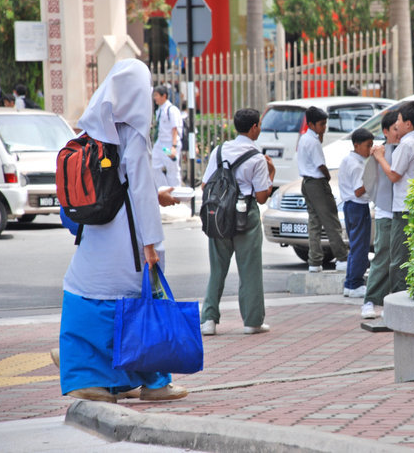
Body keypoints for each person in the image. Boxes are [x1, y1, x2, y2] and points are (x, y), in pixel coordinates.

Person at [58, 59, 186, 403]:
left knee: (84, 294)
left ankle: (91, 378)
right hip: (126, 241)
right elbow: (139, 191)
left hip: (94, 237)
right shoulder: (135, 133)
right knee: (144, 300)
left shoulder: (92, 131)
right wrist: (151, 244)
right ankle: (156, 382)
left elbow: (112, 185)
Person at [199, 108, 275, 336]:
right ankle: (252, 322)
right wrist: (271, 173)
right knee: (249, 269)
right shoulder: (257, 158)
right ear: (254, 127)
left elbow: (205, 186)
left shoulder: (219, 151)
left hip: (219, 215)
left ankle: (208, 321)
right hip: (245, 213)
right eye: (259, 125)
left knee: (217, 269)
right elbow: (261, 197)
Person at [371, 101, 414, 293]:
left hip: (403, 209)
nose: (396, 124)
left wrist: (380, 156)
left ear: (408, 124)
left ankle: (397, 304)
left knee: (398, 260)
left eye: (398, 119)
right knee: (412, 257)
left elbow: (394, 175)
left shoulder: (406, 145)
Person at [297, 106, 349, 273]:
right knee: (331, 221)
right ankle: (342, 258)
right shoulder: (313, 142)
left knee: (314, 222)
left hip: (306, 182)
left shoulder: (305, 138)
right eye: (321, 124)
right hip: (317, 183)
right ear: (311, 124)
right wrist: (327, 177)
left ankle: (314, 261)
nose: (324, 127)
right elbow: (321, 165)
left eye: (325, 123)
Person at [361, 110, 399, 319]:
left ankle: (392, 301)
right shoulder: (379, 152)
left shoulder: (403, 148)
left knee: (398, 258)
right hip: (386, 211)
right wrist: (379, 201)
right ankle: (370, 300)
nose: (399, 132)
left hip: (401, 211)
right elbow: (368, 181)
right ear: (385, 131)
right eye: (395, 129)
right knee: (383, 256)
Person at [338, 128, 373, 300]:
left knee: (354, 246)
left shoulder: (347, 160)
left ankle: (349, 283)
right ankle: (356, 284)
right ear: (357, 145)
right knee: (360, 247)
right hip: (358, 206)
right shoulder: (358, 165)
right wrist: (373, 179)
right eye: (368, 146)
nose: (370, 149)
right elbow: (359, 190)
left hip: (349, 206)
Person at [151, 85, 183, 188]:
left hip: (169, 145)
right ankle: (164, 190)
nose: (155, 98)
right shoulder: (160, 110)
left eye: (156, 95)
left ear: (164, 96)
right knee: (154, 167)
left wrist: (173, 146)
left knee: (172, 169)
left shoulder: (172, 110)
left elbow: (175, 129)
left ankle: (175, 193)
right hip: (160, 144)